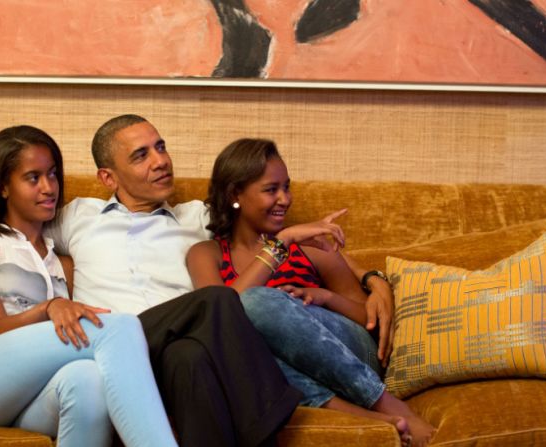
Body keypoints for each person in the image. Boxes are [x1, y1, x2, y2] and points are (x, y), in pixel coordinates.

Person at [0, 116, 303, 447]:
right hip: (28, 354)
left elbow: (256, 218)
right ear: (107, 176)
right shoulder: (76, 217)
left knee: (109, 376)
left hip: (145, 356)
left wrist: (365, 278)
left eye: (52, 175)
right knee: (174, 311)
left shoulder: (191, 219)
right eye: (141, 155)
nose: (48, 187)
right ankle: (273, 411)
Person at [0, 125, 177, 447]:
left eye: (52, 175)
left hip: (22, 390)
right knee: (119, 327)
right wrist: (49, 307)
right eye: (33, 177)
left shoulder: (62, 262)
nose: (48, 187)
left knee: (88, 381)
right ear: (3, 187)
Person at [186, 138, 436, 447]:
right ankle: (368, 418)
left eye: (286, 187)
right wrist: (281, 244)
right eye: (270, 189)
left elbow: (367, 320)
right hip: (278, 371)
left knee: (256, 303)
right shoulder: (206, 253)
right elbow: (219, 316)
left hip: (350, 356)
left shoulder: (311, 247)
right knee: (237, 343)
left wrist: (324, 297)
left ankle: (386, 403)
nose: (284, 199)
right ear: (235, 194)